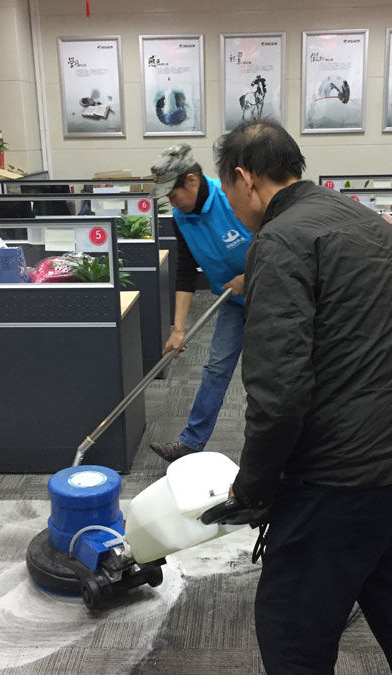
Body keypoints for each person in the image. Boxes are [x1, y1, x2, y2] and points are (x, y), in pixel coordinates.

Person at [215, 120, 392, 675]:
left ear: (244, 178)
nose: (230, 205)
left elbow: (278, 393)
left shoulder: (280, 240)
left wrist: (254, 488)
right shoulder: (367, 221)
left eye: (228, 191)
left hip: (341, 482)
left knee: (292, 636)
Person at [148, 143, 252, 463]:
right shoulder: (181, 216)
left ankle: (270, 455)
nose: (171, 203)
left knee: (265, 375)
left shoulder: (232, 197)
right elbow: (184, 271)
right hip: (232, 301)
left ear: (191, 181)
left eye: (172, 194)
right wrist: (178, 329)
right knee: (216, 369)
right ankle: (191, 443)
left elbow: (276, 240)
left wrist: (250, 275)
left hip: (270, 297)